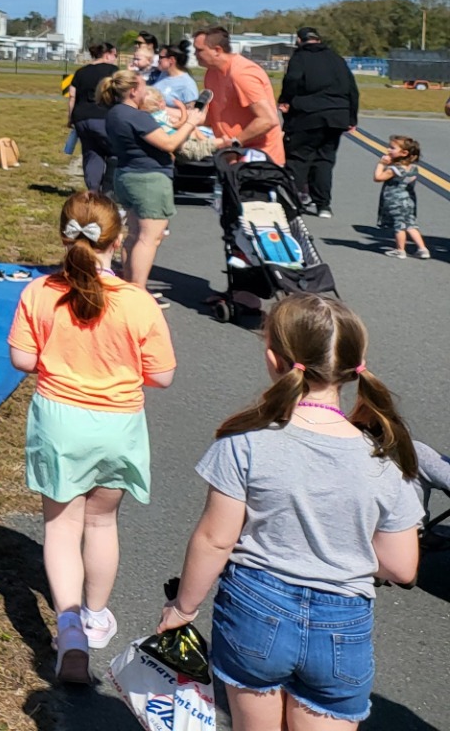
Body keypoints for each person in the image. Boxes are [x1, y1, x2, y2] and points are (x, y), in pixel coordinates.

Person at [155, 296, 420, 730]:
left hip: (254, 610)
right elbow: (402, 567)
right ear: (355, 366)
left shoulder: (245, 440)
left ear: (274, 359)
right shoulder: (384, 457)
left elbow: (216, 539)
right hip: (342, 624)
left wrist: (183, 609)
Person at [8, 192, 176, 685]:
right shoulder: (138, 302)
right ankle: (96, 616)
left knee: (62, 527)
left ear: (63, 237)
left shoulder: (39, 292)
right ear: (117, 242)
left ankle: (69, 629)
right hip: (118, 423)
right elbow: (162, 375)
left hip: (60, 421)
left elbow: (22, 359)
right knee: (101, 522)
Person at [98, 70, 207, 303]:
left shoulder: (115, 113)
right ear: (133, 91)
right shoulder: (137, 116)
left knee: (134, 234)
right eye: (143, 87)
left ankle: (129, 286)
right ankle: (138, 292)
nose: (147, 91)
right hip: (148, 179)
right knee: (149, 238)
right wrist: (191, 122)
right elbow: (169, 143)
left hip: (126, 175)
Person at [279, 27, 359, 218]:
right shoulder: (336, 58)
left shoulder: (300, 57)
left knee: (299, 158)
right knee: (324, 160)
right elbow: (352, 89)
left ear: (299, 41)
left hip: (308, 114)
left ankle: (294, 201)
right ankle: (323, 205)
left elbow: (292, 79)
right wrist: (351, 118)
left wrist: (285, 100)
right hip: (337, 115)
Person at [195, 27, 284, 164]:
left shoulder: (242, 73)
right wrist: (173, 117)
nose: (195, 54)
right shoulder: (211, 73)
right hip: (231, 157)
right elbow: (212, 118)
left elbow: (268, 120)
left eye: (199, 50)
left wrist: (235, 143)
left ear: (217, 50)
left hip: (257, 160)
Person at [68, 44, 118, 194]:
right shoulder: (113, 71)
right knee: (115, 152)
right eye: (115, 55)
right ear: (108, 54)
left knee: (92, 153)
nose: (115, 59)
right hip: (103, 117)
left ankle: (93, 191)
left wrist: (70, 118)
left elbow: (72, 96)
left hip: (81, 118)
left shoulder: (81, 72)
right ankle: (108, 191)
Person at [374, 135, 425, 259]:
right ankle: (422, 249)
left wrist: (381, 164)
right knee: (411, 224)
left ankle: (400, 250)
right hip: (408, 199)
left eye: (392, 148)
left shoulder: (393, 169)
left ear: (404, 153)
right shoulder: (413, 168)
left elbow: (378, 178)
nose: (388, 150)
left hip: (395, 200)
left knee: (399, 226)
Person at [150, 42, 199, 109]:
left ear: (171, 60)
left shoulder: (187, 84)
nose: (158, 60)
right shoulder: (163, 74)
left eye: (160, 57)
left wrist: (164, 109)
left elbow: (191, 112)